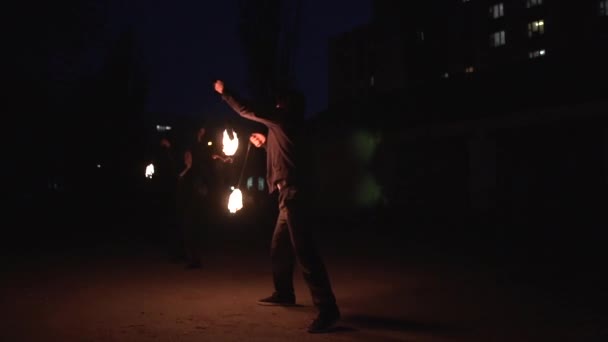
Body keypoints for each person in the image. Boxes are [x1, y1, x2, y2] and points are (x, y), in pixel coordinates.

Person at [214, 80, 340, 333]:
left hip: (295, 194)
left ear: (287, 105)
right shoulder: (287, 126)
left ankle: (328, 309)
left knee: (305, 252)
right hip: (287, 195)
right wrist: (264, 142)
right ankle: (284, 292)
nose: (276, 105)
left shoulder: (284, 118)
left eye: (279, 102)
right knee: (279, 247)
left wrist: (225, 92)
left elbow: (248, 110)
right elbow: (283, 151)